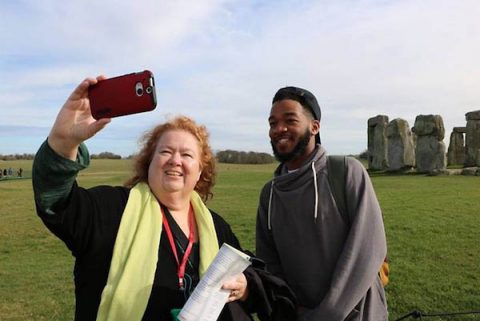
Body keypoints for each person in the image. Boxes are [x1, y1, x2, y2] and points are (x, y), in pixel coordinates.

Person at [32, 76, 267, 321]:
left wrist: (244, 286)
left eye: (187, 155)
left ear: (200, 172)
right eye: (165, 151)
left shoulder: (217, 228)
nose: (175, 160)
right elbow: (57, 202)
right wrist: (63, 142)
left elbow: (251, 282)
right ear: (149, 163)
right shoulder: (112, 209)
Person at [255, 86, 388, 321]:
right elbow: (269, 264)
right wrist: (290, 310)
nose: (278, 129)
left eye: (290, 120)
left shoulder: (346, 172)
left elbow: (367, 250)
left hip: (357, 314)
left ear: (314, 126)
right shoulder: (270, 193)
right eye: (272, 123)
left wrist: (326, 314)